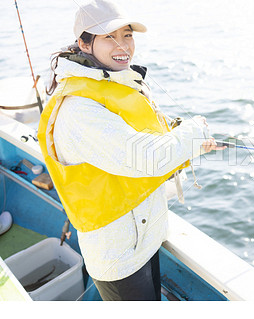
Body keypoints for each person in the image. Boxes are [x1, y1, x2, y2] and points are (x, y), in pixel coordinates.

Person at [37, 0, 224, 301]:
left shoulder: (118, 82)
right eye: (109, 37)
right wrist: (196, 130)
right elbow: (143, 157)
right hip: (118, 254)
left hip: (145, 234)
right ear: (84, 43)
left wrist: (188, 143)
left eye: (127, 35)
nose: (122, 45)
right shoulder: (77, 109)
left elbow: (144, 139)